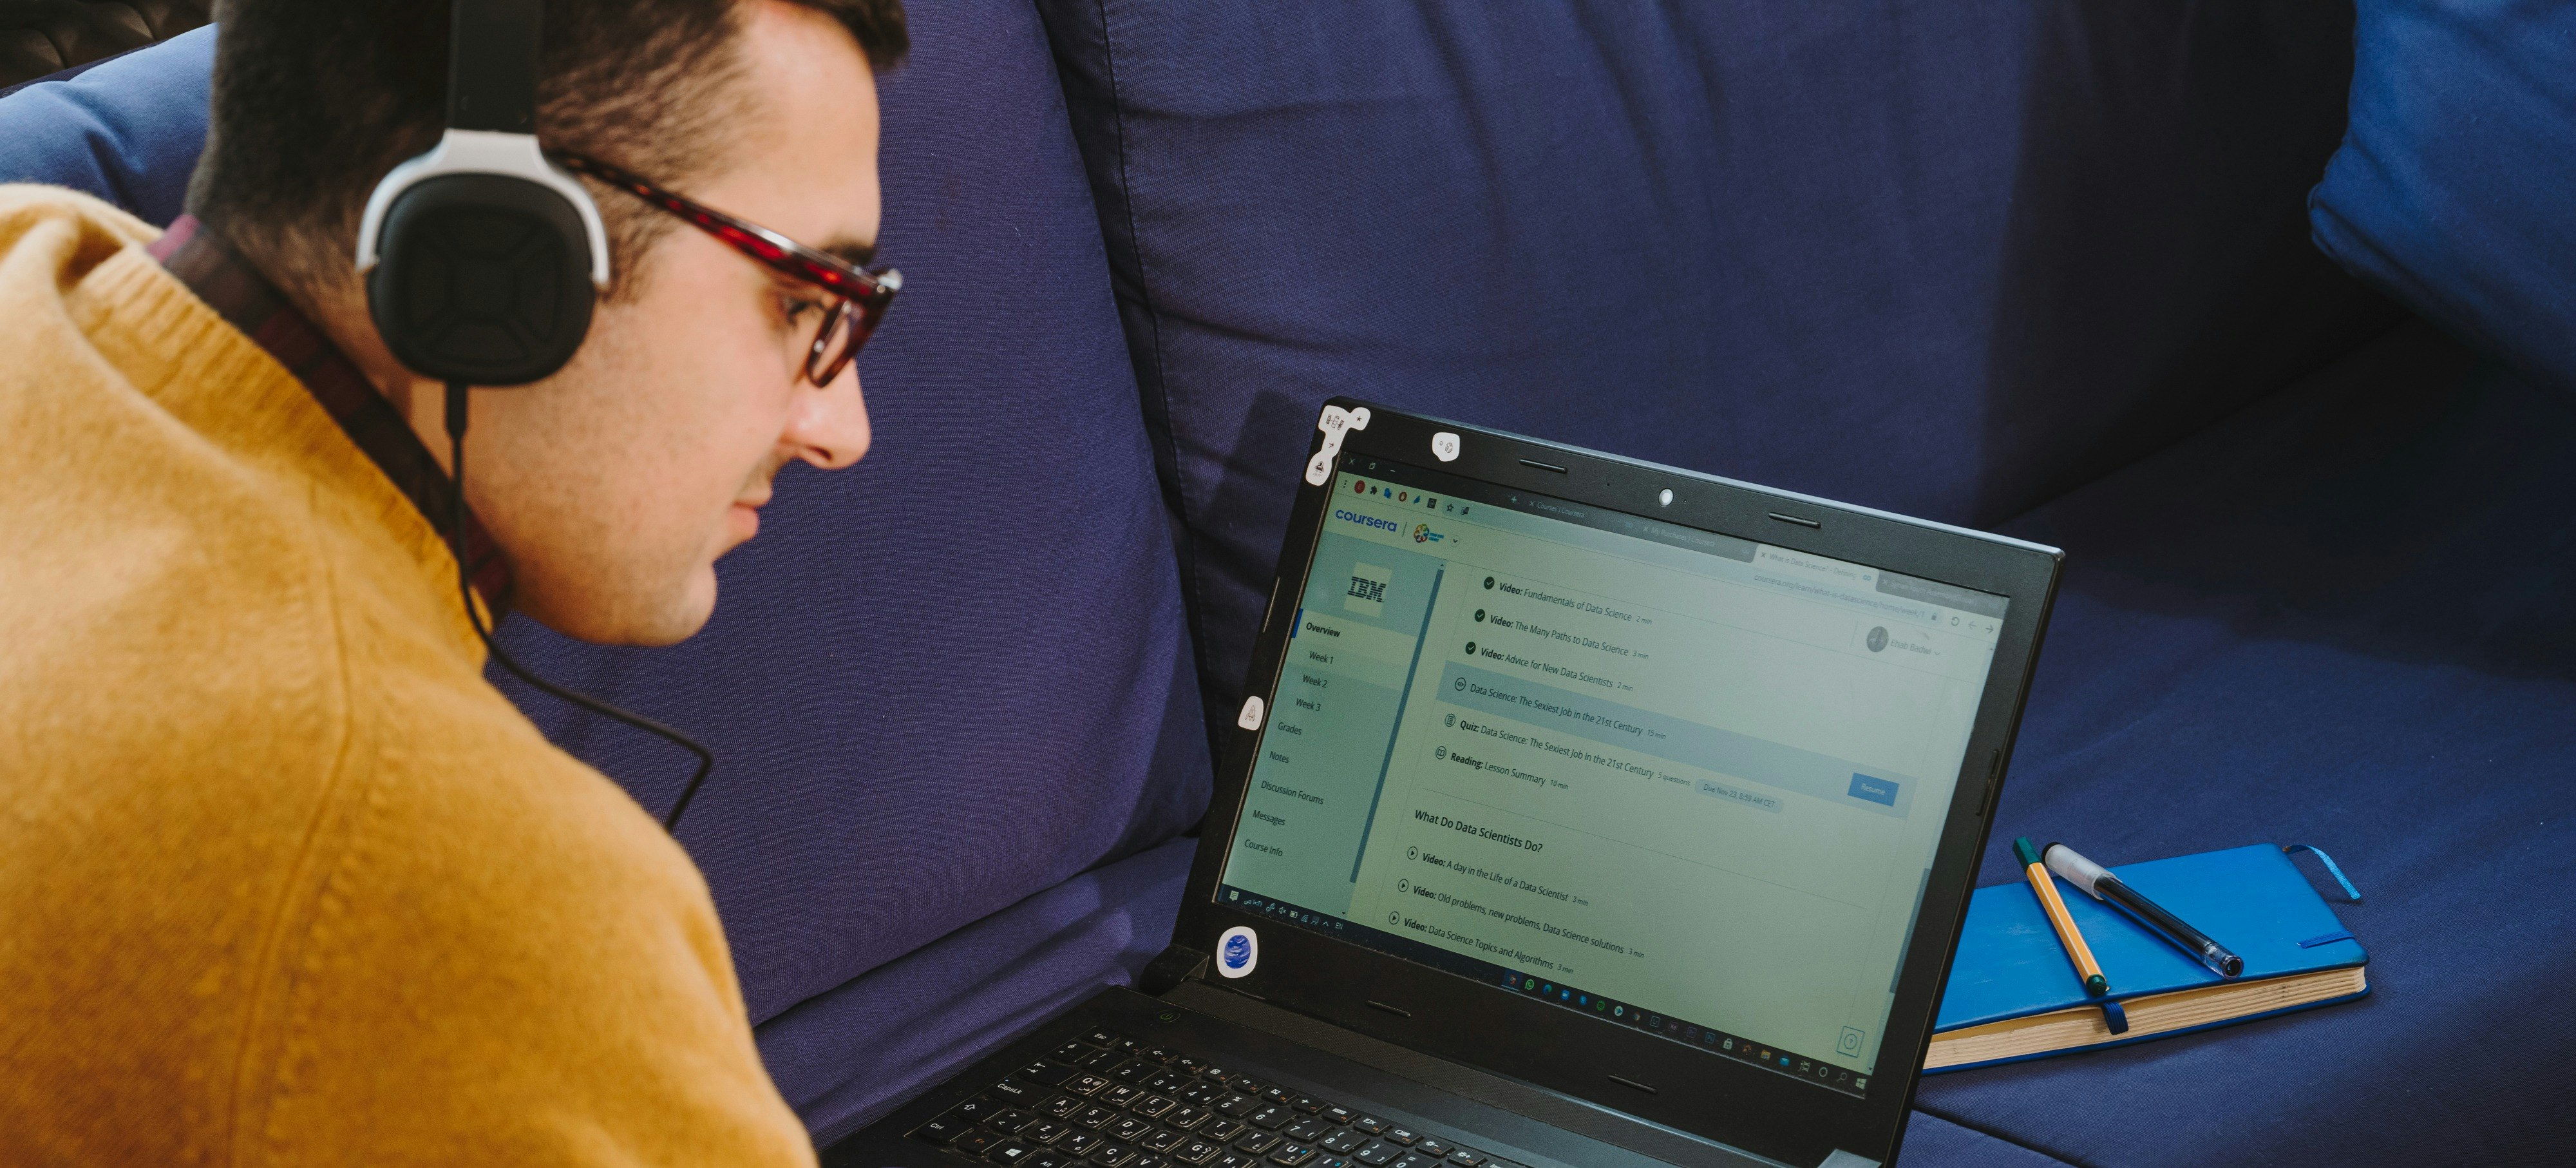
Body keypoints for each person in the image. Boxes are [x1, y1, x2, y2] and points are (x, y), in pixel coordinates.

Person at [0, 0, 905, 1162]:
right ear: (493, 257)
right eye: (800, 298)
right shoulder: (447, 888)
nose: (841, 427)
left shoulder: (31, 247)